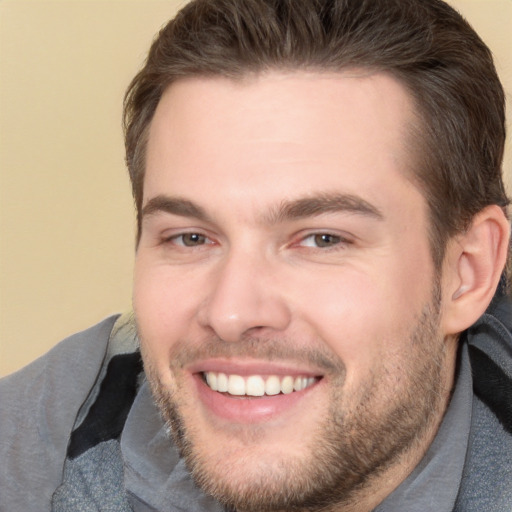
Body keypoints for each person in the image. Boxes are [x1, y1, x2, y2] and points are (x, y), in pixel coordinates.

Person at [1, 0, 511, 510]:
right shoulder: (25, 463)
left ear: (468, 272)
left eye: (322, 239)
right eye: (190, 238)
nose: (231, 313)